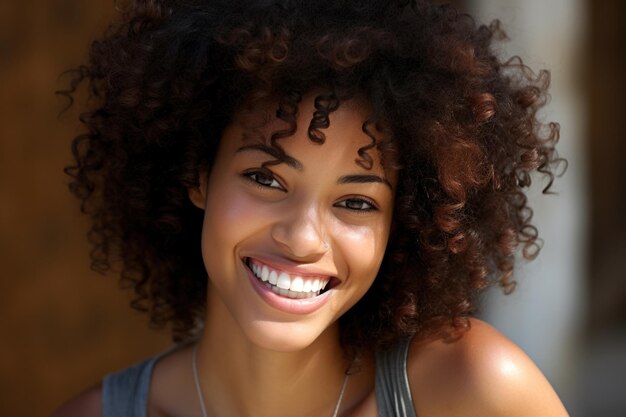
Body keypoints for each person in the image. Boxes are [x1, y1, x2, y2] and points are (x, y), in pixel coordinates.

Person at [54, 0, 569, 415]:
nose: (302, 238)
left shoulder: (473, 391)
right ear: (198, 176)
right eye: (266, 178)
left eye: (355, 202)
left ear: (402, 225)